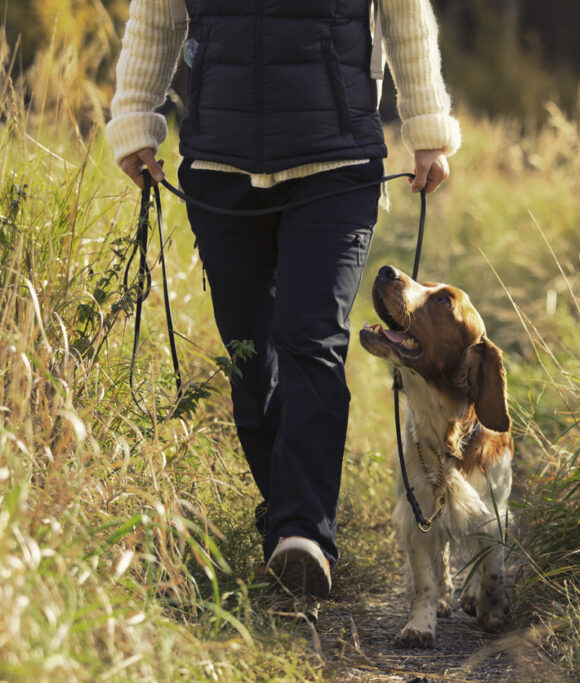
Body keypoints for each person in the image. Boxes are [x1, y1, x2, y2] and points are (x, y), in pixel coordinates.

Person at [107, 0, 460, 611]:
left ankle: (305, 533)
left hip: (337, 164)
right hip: (220, 165)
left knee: (310, 338)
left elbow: (405, 16)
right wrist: (135, 119)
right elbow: (156, 19)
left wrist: (427, 132)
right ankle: (286, 524)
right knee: (249, 354)